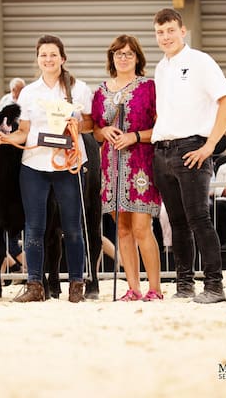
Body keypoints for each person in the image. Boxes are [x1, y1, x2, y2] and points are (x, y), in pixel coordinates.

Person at [0, 34, 93, 303]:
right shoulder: (28, 92)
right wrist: (6, 138)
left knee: (72, 228)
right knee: (34, 226)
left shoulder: (78, 88)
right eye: (43, 55)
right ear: (37, 59)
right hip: (35, 164)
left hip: (69, 165)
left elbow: (91, 124)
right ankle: (35, 285)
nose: (48, 59)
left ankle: (76, 285)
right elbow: (24, 131)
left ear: (63, 58)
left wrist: (75, 124)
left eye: (53, 54)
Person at [151, 7, 226, 304]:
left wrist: (210, 146)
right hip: (162, 150)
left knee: (199, 217)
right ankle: (184, 284)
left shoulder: (200, 61)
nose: (165, 37)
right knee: (176, 222)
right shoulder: (161, 68)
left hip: (192, 149)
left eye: (170, 30)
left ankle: (214, 286)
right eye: (159, 32)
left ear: (182, 31)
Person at [91, 34, 163, 302]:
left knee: (142, 227)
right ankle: (133, 287)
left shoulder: (149, 87)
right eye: (118, 53)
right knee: (122, 229)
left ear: (137, 58)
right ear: (111, 58)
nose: (123, 58)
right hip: (111, 167)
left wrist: (134, 136)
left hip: (141, 163)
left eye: (129, 53)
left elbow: (160, 127)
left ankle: (154, 287)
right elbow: (96, 130)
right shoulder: (100, 91)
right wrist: (104, 130)